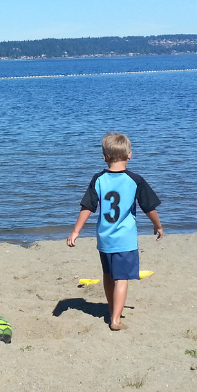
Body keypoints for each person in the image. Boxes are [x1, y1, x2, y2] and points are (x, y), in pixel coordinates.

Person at [66, 133, 163, 331]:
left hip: (104, 237)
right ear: (130, 155)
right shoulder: (135, 180)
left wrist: (76, 231)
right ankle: (116, 319)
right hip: (125, 238)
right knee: (122, 278)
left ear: (104, 157)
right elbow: (149, 207)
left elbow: (87, 206)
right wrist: (158, 225)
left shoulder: (99, 179)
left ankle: (112, 309)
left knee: (108, 275)